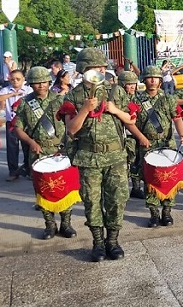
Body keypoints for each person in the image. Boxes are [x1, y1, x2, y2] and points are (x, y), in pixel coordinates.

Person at [58, 48, 138, 262]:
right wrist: (84, 109)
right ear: (84, 69)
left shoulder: (115, 91)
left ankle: (113, 241)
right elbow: (71, 130)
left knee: (117, 199)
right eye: (96, 67)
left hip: (115, 157)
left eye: (103, 66)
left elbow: (131, 120)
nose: (101, 70)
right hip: (89, 157)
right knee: (92, 202)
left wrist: (115, 110)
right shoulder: (72, 96)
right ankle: (98, 243)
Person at [13, 67, 78, 240]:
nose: (41, 85)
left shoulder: (60, 100)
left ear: (49, 82)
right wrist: (31, 142)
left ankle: (66, 223)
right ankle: (49, 225)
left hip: (60, 150)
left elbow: (70, 123)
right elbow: (17, 128)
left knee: (65, 187)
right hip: (38, 152)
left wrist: (68, 144)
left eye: (44, 82)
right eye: (36, 82)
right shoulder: (25, 103)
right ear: (31, 84)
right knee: (43, 190)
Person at [128, 66, 183, 227]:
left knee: (170, 177)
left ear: (161, 81)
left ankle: (167, 211)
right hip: (147, 144)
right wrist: (140, 137)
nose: (152, 80)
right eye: (149, 78)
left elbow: (177, 118)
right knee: (150, 179)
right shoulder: (136, 101)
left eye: (156, 78)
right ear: (144, 80)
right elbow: (129, 122)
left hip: (167, 143)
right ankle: (154, 213)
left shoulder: (168, 99)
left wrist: (182, 135)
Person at [0, 69, 33, 181]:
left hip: (26, 123)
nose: (15, 81)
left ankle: (29, 170)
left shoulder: (28, 90)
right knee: (12, 148)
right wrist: (12, 94)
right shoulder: (5, 90)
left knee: (27, 147)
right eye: (13, 79)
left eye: (18, 79)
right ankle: (13, 171)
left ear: (23, 79)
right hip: (11, 122)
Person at [117, 71, 144, 199]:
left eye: (134, 83)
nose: (132, 86)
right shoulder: (119, 100)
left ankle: (136, 186)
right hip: (126, 135)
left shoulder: (139, 98)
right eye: (129, 84)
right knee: (130, 160)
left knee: (137, 159)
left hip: (139, 132)